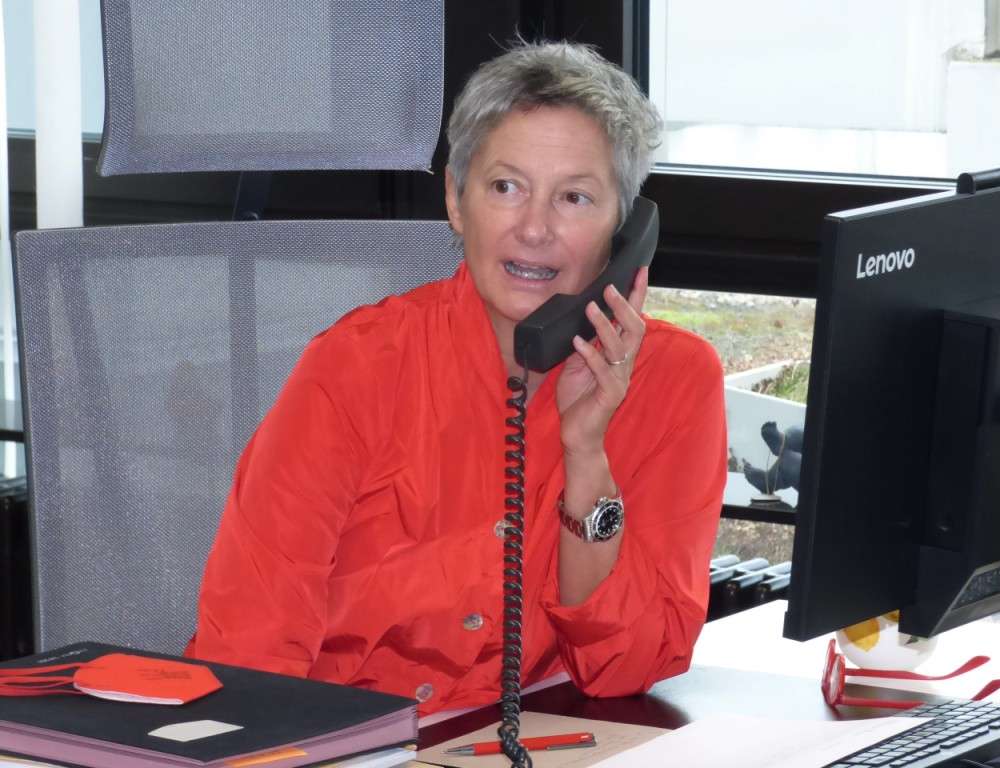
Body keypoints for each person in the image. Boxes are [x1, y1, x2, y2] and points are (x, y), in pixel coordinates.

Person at [187, 40, 727, 715]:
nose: (534, 229)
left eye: (575, 197)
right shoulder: (355, 367)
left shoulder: (676, 382)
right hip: (335, 742)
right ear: (455, 199)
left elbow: (630, 666)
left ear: (624, 229)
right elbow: (248, 658)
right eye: (506, 187)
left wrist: (587, 459)